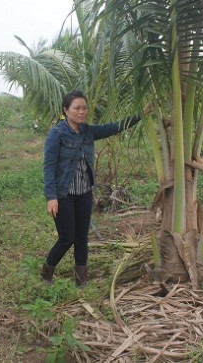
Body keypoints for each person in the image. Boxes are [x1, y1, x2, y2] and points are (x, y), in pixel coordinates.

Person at [41, 90, 148, 287]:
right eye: (77, 108)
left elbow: (115, 127)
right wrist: (51, 196)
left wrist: (142, 113)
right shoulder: (57, 134)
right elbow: (49, 167)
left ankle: (81, 280)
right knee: (66, 238)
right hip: (63, 195)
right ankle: (46, 272)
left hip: (84, 193)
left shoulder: (88, 131)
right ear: (66, 110)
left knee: (81, 238)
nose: (82, 112)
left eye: (84, 108)